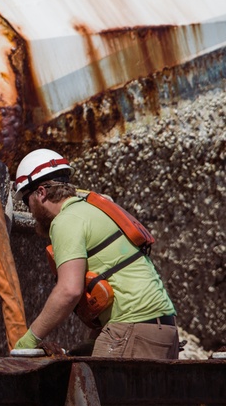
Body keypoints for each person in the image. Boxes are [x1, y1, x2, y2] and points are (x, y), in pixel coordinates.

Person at [12, 149, 178, 359]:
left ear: (41, 193)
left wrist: (30, 339)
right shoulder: (91, 211)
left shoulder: (66, 221)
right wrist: (94, 341)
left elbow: (69, 291)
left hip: (132, 328)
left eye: (27, 201)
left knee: (97, 392)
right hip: (163, 329)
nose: (30, 210)